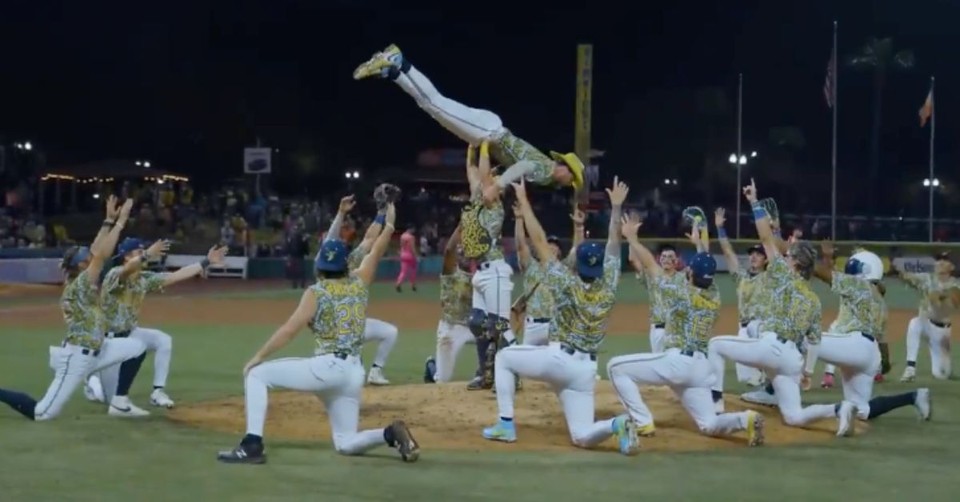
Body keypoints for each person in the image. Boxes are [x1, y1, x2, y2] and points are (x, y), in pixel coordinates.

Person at [217, 202, 419, 465]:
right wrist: (390, 216)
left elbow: (289, 330)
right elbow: (378, 246)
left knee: (257, 375)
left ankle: (252, 445)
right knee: (345, 443)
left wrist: (258, 356)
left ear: (321, 266)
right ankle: (389, 433)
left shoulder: (316, 292)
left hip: (327, 368)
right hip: (353, 373)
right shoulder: (360, 280)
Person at [481, 176, 638, 455]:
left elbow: (539, 241)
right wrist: (616, 208)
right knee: (581, 435)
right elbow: (614, 244)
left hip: (558, 359)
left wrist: (525, 203)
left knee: (504, 357)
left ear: (576, 262)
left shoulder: (567, 283)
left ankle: (506, 424)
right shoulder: (610, 284)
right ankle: (616, 424)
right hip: (585, 371)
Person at [707, 179, 857, 437]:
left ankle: (715, 405)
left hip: (770, 348)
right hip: (791, 361)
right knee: (794, 416)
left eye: (789, 256)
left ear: (797, 264)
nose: (784, 258)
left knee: (715, 345)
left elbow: (765, 236)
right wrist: (808, 372)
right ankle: (839, 409)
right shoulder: (814, 300)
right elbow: (814, 341)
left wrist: (754, 202)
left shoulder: (781, 275)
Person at [353, 44, 584, 202]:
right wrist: (499, 184)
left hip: (488, 132)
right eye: (571, 178)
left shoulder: (546, 171)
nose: (568, 183)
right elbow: (524, 166)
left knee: (431, 106)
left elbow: (515, 162)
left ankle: (394, 73)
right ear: (565, 167)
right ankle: (399, 62)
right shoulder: (546, 171)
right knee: (435, 103)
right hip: (490, 132)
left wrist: (495, 173)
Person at [608, 215, 764, 446]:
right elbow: (704, 266)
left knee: (615, 367)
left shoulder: (680, 293)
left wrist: (632, 237)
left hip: (677, 363)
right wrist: (700, 244)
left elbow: (651, 265)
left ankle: (643, 422)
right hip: (701, 369)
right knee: (708, 424)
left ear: (690, 274)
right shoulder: (714, 296)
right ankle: (745, 419)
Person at [0, 197, 148, 421]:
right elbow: (101, 254)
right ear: (80, 265)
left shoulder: (80, 277)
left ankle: (116, 399)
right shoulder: (79, 284)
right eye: (86, 258)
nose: (91, 258)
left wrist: (109, 220)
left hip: (100, 349)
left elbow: (97, 251)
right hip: (77, 357)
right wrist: (120, 222)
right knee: (42, 414)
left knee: (137, 346)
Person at [84, 238, 229, 416]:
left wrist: (206, 262)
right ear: (126, 256)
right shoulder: (115, 274)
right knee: (104, 397)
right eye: (138, 253)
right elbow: (127, 270)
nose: (144, 256)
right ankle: (92, 381)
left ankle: (157, 392)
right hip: (110, 342)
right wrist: (148, 254)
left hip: (130, 334)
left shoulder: (144, 279)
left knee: (162, 339)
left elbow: (175, 276)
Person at [325, 195, 399, 386]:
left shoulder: (335, 268)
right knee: (352, 375)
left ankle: (375, 371)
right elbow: (375, 249)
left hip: (351, 328)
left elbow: (369, 238)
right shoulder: (355, 276)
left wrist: (381, 213)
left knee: (390, 332)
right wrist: (389, 224)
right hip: (341, 337)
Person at [512, 204, 585, 347]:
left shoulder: (564, 267)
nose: (551, 247)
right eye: (548, 244)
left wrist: (578, 227)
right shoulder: (530, 266)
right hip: (533, 326)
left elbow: (578, 249)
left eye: (555, 246)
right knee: (530, 368)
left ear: (559, 251)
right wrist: (519, 219)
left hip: (557, 325)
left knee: (557, 366)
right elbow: (521, 245)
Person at [714, 207, 770, 388]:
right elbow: (729, 253)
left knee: (761, 374)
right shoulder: (742, 277)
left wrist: (773, 229)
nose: (753, 257)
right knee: (745, 379)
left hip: (763, 328)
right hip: (743, 329)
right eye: (752, 254)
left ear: (766, 259)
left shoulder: (771, 278)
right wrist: (720, 229)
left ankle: (769, 389)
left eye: (759, 254)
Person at [423, 224, 477, 383]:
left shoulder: (479, 277)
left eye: (468, 254)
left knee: (496, 341)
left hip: (473, 327)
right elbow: (448, 250)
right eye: (461, 254)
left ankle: (484, 373)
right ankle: (431, 366)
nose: (465, 256)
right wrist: (462, 225)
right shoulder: (450, 274)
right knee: (442, 380)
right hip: (451, 328)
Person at [898, 252, 959, 381]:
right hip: (925, 324)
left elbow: (947, 301)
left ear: (952, 266)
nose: (941, 262)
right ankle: (910, 368)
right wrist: (903, 271)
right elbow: (904, 273)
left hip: (941, 333)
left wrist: (938, 295)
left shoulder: (956, 285)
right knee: (914, 322)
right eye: (938, 259)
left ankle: (943, 368)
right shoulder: (926, 278)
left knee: (941, 375)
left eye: (945, 259)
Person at [630, 242, 685, 354]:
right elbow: (633, 260)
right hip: (658, 330)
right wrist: (631, 238)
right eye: (663, 257)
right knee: (659, 362)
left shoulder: (683, 279)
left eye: (670, 257)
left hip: (678, 330)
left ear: (677, 260)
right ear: (659, 259)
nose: (666, 259)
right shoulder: (652, 277)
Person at [395, 226, 418, 292]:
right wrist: (416, 256)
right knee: (413, 271)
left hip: (403, 255)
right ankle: (413, 285)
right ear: (410, 229)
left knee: (403, 271)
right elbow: (412, 248)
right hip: (410, 256)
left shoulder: (402, 236)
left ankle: (398, 283)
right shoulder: (411, 237)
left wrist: (400, 252)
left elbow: (401, 245)